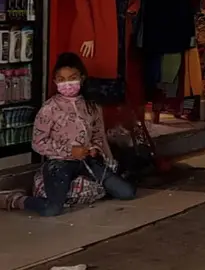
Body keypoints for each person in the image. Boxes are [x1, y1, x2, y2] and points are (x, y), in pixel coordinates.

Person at [0, 53, 135, 216]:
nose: (67, 83)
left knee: (127, 192)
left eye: (72, 78)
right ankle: (14, 199)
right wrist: (69, 151)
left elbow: (98, 136)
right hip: (59, 163)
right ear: (55, 81)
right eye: (61, 79)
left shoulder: (91, 107)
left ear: (82, 78)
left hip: (87, 161)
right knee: (52, 208)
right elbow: (38, 143)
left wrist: (95, 149)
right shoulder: (49, 109)